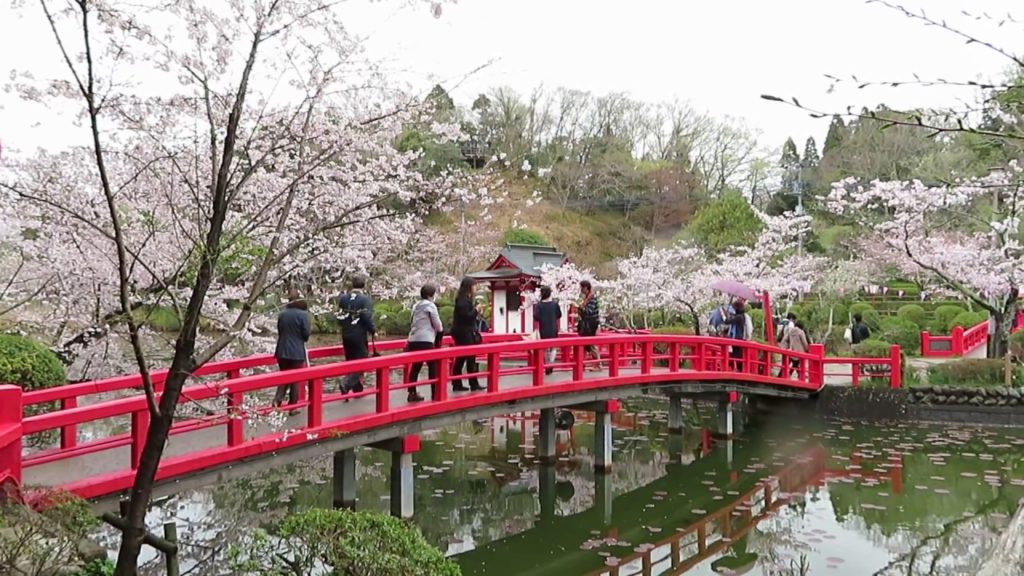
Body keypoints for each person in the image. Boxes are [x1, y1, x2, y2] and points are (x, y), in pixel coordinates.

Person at [337, 275, 376, 393]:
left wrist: (344, 325)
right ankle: (346, 383)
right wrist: (373, 330)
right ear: (363, 285)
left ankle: (357, 388)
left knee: (351, 360)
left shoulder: (343, 299)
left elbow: (339, 316)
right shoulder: (365, 300)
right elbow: (366, 316)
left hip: (346, 332)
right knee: (362, 360)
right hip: (359, 333)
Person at [273, 290, 310, 412]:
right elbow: (306, 335)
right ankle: (293, 406)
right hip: (296, 351)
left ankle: (277, 400)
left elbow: (280, 330)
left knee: (284, 375)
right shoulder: (303, 315)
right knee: (295, 379)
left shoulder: (282, 314)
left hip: (282, 349)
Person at [406, 284, 443, 403]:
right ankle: (435, 392)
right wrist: (440, 333)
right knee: (433, 366)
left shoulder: (416, 305)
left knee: (416, 367)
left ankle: (411, 393)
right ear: (431, 295)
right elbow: (438, 325)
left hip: (413, 339)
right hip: (426, 340)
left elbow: (411, 321)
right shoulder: (430, 306)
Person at [450, 277, 484, 392]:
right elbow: (466, 316)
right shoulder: (462, 300)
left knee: (461, 358)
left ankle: (457, 383)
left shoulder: (464, 299)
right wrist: (476, 310)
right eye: (474, 286)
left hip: (464, 331)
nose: (475, 288)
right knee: (469, 357)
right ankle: (472, 383)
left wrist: (476, 312)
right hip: (463, 332)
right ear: (469, 287)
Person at [534, 285, 562, 375]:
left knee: (545, 349)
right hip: (553, 328)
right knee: (553, 348)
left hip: (544, 329)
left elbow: (536, 317)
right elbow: (559, 315)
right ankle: (551, 364)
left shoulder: (539, 305)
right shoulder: (554, 304)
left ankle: (546, 365)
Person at [577, 280, 601, 370]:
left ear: (586, 288)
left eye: (582, 288)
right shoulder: (587, 298)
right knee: (584, 344)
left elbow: (589, 312)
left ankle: (597, 364)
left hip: (591, 324)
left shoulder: (592, 298)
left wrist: (581, 308)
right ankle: (581, 364)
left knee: (591, 344)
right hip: (586, 324)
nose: (581, 290)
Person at [724, 301, 748, 372]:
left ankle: (738, 368)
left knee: (737, 354)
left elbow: (727, 321)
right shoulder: (741, 316)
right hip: (738, 337)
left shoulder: (739, 317)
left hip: (737, 337)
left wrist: (725, 316)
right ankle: (737, 368)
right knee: (736, 353)